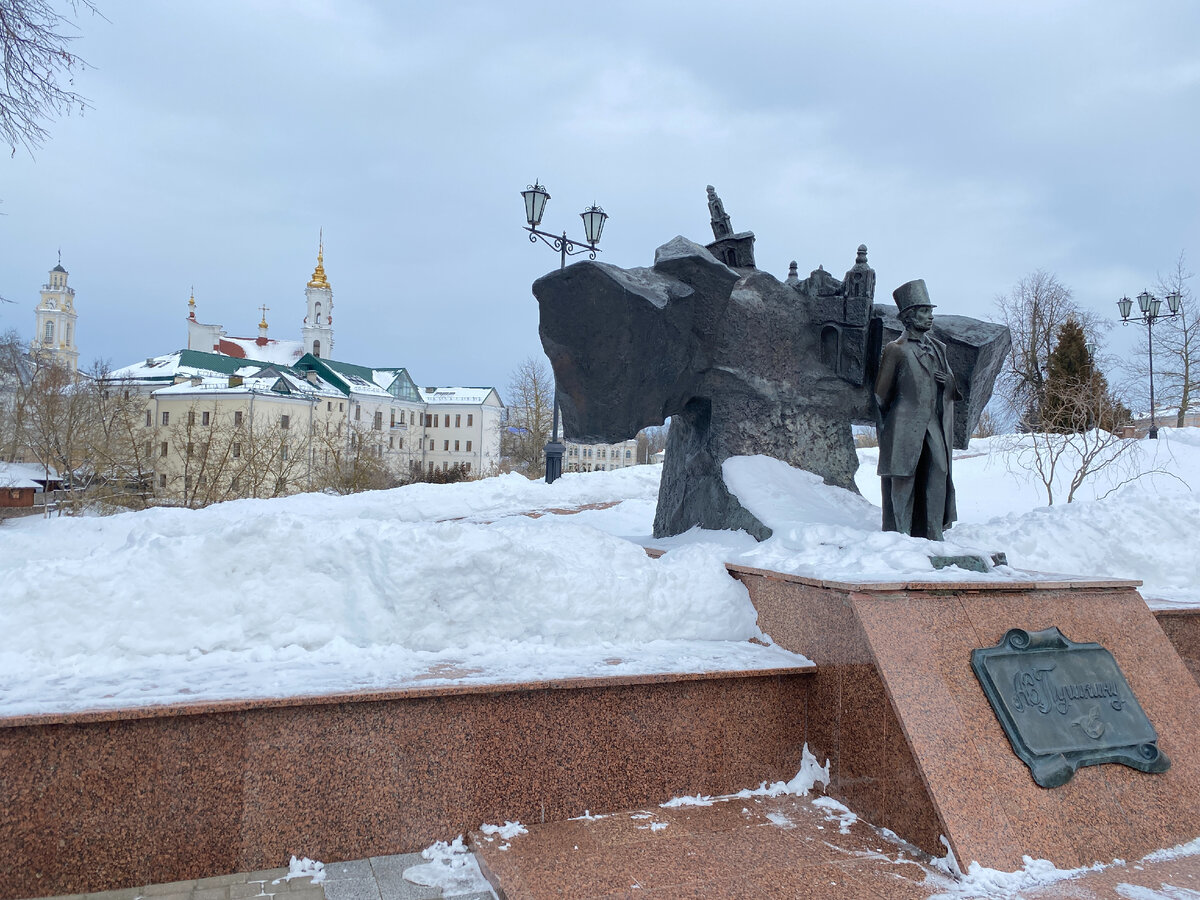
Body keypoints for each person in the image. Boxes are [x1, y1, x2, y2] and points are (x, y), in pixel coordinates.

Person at [874, 279, 959, 540]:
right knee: (903, 477)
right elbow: (880, 393)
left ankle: (934, 532)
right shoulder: (895, 350)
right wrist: (892, 422)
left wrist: (950, 384)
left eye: (931, 311)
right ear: (909, 317)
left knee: (939, 471)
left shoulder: (938, 348)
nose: (930, 316)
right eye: (924, 311)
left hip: (934, 422)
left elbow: (953, 388)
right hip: (903, 423)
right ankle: (901, 532)